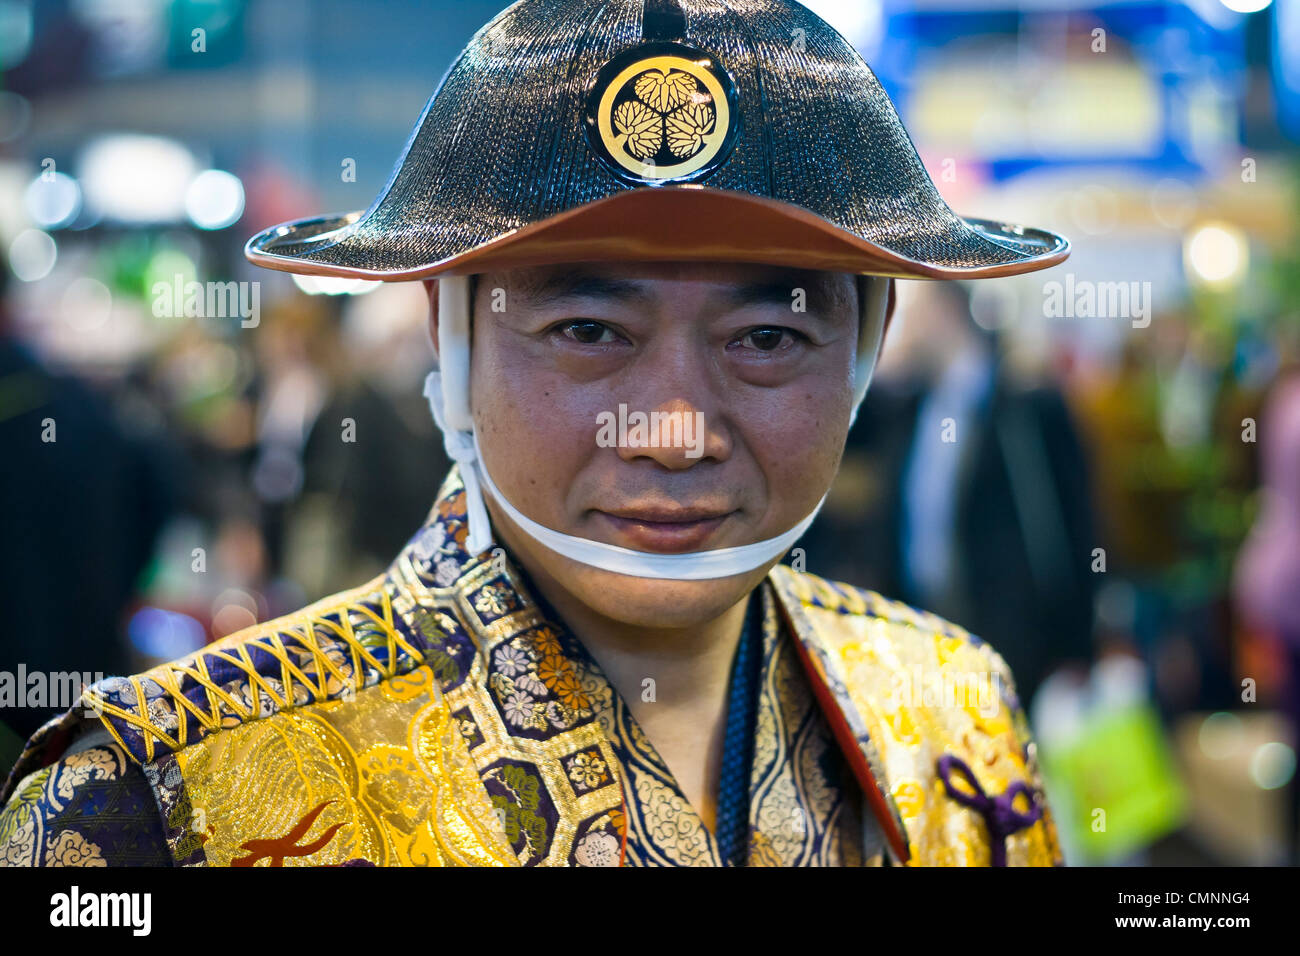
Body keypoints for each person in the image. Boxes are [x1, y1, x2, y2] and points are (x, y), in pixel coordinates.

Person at [0, 0, 1070, 867]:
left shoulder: (952, 712)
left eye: (766, 336)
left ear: (868, 347)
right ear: (448, 335)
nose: (673, 429)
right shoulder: (160, 805)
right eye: (588, 328)